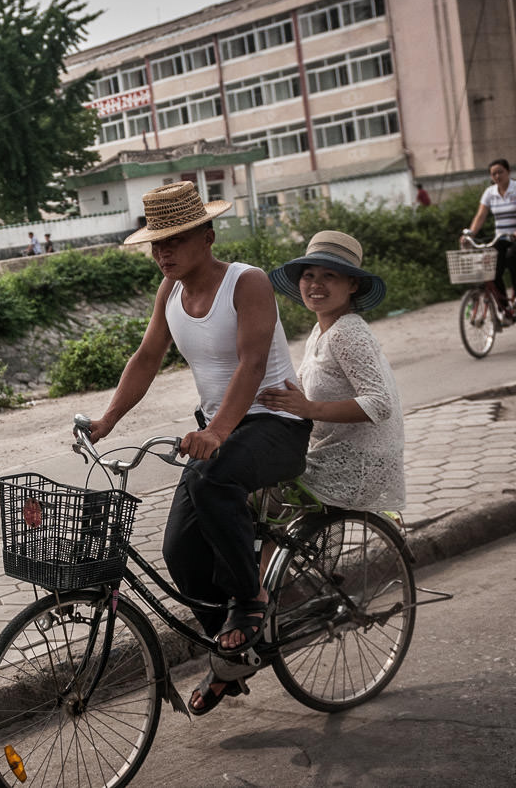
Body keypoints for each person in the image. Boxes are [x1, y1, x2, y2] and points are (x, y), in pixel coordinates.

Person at [86, 181, 311, 715]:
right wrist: (107, 420)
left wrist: (216, 432)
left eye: (175, 241)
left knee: (213, 481)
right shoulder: (170, 293)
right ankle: (230, 657)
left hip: (276, 424)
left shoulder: (247, 283)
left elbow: (252, 364)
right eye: (156, 245)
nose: (163, 253)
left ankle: (249, 601)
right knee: (179, 553)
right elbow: (145, 358)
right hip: (225, 433)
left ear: (207, 236)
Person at [258, 231, 405, 514]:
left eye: (329, 276)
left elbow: (379, 404)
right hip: (329, 453)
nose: (316, 284)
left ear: (352, 284)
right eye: (309, 275)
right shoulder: (321, 331)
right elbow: (298, 390)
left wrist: (311, 408)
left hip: (356, 466)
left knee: (255, 503)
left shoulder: (347, 332)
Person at [467, 158, 516, 310]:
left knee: (512, 257)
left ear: (508, 172)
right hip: (502, 238)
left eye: (500, 172)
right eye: (493, 174)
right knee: (492, 269)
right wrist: (470, 234)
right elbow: (481, 215)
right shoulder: (489, 193)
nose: (497, 176)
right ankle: (504, 308)